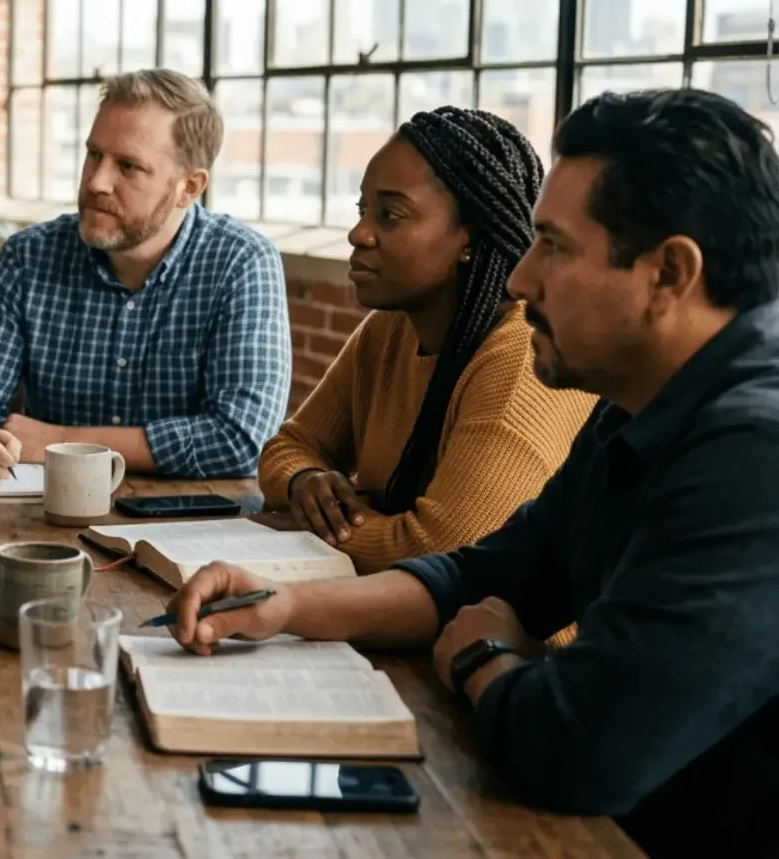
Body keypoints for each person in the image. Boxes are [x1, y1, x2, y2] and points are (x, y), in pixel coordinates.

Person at [166, 88, 779, 857]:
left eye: (553, 246)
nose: (521, 280)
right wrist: (287, 606)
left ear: (669, 274)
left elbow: (575, 746)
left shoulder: (754, 455)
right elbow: (485, 571)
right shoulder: (635, 402)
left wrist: (482, 656)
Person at [260, 107, 595, 572]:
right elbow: (289, 445)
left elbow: (441, 552)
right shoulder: (390, 328)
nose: (358, 233)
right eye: (363, 211)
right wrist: (305, 481)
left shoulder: (523, 359)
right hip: (392, 618)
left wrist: (317, 529)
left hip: (500, 640)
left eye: (391, 215)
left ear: (470, 239)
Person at [0, 69, 289, 484]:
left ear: (189, 187)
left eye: (128, 166)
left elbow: (241, 439)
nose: (97, 182)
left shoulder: (242, 264)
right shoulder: (27, 257)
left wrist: (61, 442)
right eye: (94, 155)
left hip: (188, 531)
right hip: (43, 522)